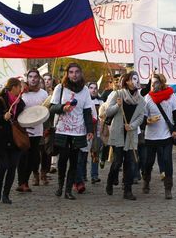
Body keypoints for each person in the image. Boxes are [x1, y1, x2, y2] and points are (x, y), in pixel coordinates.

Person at [49, 63, 94, 200]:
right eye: (71, 72)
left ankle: (68, 190)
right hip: (63, 129)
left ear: (80, 73)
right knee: (63, 159)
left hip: (78, 130)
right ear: (67, 74)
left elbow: (87, 111)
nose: (74, 74)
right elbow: (52, 107)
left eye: (77, 72)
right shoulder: (60, 88)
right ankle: (60, 186)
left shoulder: (85, 90)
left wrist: (89, 129)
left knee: (75, 161)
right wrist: (63, 107)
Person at [105, 72, 146, 200]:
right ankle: (110, 181)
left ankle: (127, 190)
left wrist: (132, 126)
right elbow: (107, 111)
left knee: (130, 162)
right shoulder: (118, 94)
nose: (136, 81)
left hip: (130, 134)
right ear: (127, 81)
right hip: (118, 133)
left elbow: (141, 117)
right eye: (134, 79)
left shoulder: (141, 100)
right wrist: (117, 105)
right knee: (117, 162)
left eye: (137, 79)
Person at [0, 78, 25, 204]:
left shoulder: (21, 103)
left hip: (15, 139)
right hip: (1, 140)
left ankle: (6, 194)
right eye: (19, 87)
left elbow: (23, 118)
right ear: (13, 87)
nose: (21, 89)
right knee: (3, 166)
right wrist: (2, 117)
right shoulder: (1, 100)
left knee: (12, 167)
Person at [142, 73, 176, 200]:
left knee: (167, 162)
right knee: (148, 162)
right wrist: (148, 120)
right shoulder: (147, 98)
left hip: (166, 136)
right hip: (151, 136)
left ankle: (168, 188)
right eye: (152, 83)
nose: (153, 85)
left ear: (162, 83)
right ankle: (146, 181)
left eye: (156, 83)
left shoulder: (171, 96)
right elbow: (142, 118)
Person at [16, 69, 48, 192]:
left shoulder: (43, 94)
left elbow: (46, 111)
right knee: (23, 156)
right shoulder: (22, 92)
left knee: (33, 157)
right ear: (27, 78)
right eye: (30, 77)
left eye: (35, 77)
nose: (33, 79)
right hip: (23, 129)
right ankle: (21, 182)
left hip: (37, 129)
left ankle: (26, 180)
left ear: (39, 79)